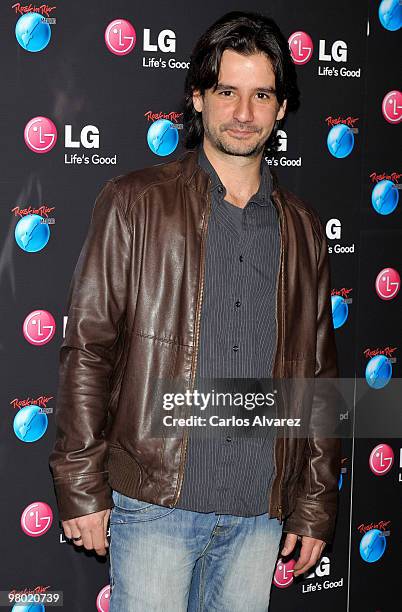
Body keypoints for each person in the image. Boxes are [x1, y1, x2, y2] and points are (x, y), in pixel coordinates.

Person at [49, 10, 341, 611]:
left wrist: (312, 504)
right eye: (227, 92)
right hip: (154, 505)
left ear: (282, 108)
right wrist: (81, 485)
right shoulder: (135, 202)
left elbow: (317, 378)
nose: (244, 113)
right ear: (198, 98)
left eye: (262, 95)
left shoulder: (305, 231)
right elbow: (89, 350)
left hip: (260, 516)